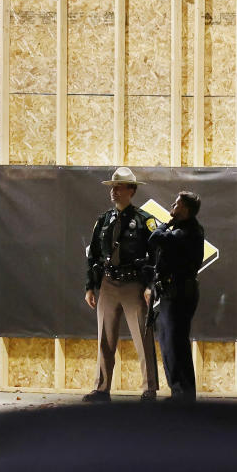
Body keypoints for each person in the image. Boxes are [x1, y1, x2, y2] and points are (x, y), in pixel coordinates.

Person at [83, 167, 159, 403]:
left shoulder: (145, 221)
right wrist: (90, 286)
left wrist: (149, 286)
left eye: (119, 187)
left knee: (143, 337)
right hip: (108, 283)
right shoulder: (103, 220)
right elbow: (93, 255)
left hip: (134, 284)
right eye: (112, 188)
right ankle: (101, 389)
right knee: (105, 339)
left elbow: (155, 257)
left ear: (131, 191)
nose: (113, 192)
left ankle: (149, 389)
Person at [148, 191, 204, 402]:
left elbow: (155, 238)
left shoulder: (189, 231)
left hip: (180, 293)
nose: (173, 204)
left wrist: (165, 223)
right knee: (168, 341)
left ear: (186, 210)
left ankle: (184, 394)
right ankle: (177, 391)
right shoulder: (181, 229)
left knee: (176, 343)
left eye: (177, 203)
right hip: (171, 293)